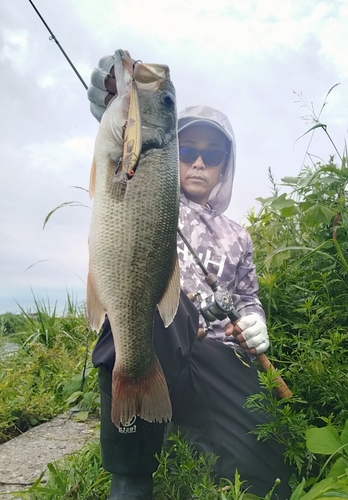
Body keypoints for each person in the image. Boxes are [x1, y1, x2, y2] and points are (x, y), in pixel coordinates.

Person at [87, 52, 294, 500]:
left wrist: (257, 323)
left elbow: (248, 297)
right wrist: (112, 95)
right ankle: (130, 475)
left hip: (219, 356)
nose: (199, 163)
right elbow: (124, 143)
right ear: (172, 152)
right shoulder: (150, 182)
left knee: (269, 473)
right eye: (189, 150)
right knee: (152, 307)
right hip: (161, 339)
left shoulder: (239, 236)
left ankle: (200, 434)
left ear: (224, 165)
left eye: (212, 154)